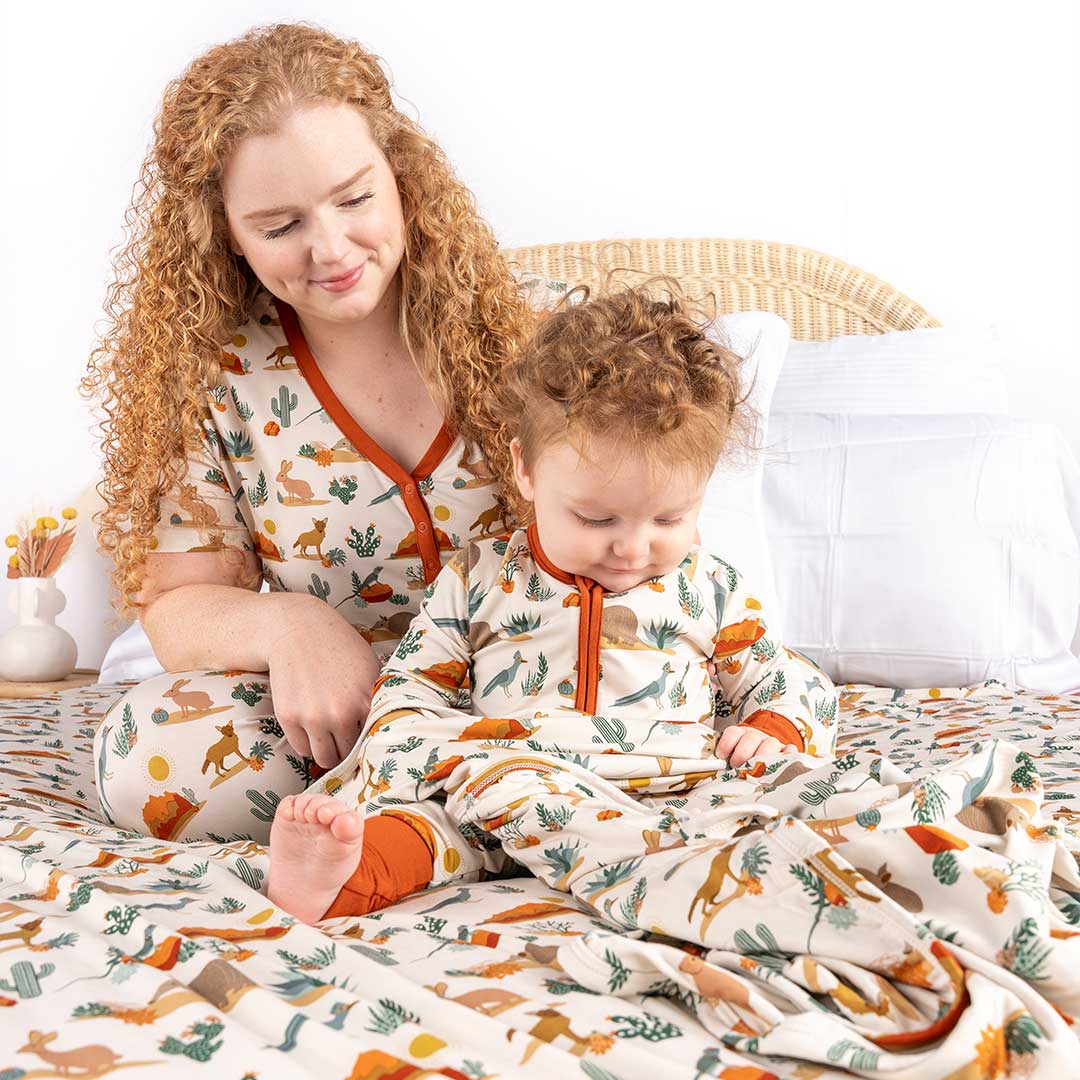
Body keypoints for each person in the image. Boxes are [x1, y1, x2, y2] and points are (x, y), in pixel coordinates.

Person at [85, 23, 552, 844]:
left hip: (540, 684)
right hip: (349, 716)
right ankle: (489, 814)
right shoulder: (213, 379)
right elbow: (177, 606)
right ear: (221, 232)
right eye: (278, 225)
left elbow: (650, 527)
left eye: (355, 198)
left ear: (403, 177)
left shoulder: (536, 332)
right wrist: (292, 626)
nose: (331, 249)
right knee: (142, 752)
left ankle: (426, 814)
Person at [265, 285, 840, 925]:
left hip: (665, 789)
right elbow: (412, 685)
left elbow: (784, 678)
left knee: (766, 810)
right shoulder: (479, 580)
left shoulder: (710, 589)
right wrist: (415, 751)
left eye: (671, 517)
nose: (631, 548)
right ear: (527, 471)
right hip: (505, 789)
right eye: (596, 518)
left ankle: (662, 861)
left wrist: (773, 729)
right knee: (432, 829)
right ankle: (341, 877)